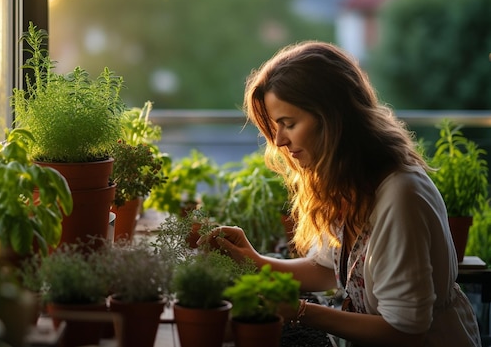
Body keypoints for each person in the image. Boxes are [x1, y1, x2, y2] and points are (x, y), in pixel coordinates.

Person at [199, 41, 481, 346]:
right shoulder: (351, 184)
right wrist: (254, 260)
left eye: (288, 124)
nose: (279, 140)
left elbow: (405, 331)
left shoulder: (401, 197)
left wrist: (300, 311)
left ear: (333, 119)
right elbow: (327, 270)